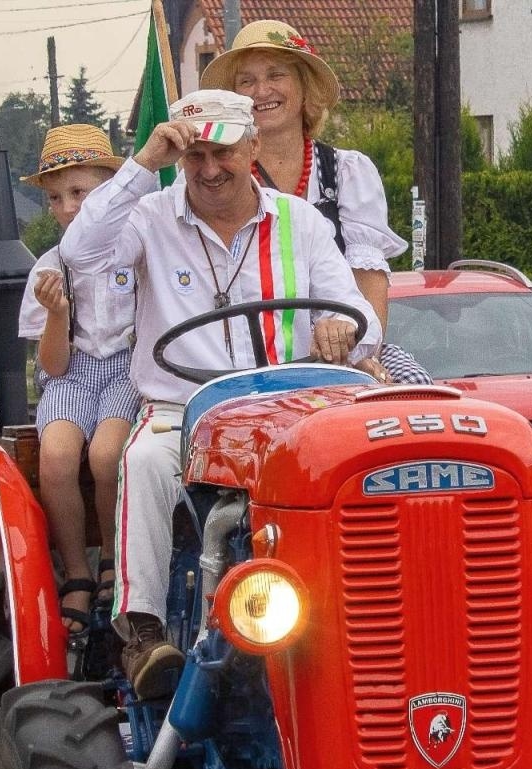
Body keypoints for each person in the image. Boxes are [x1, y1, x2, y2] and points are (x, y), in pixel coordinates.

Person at [59, 90, 379, 698]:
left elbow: (361, 315)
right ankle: (142, 634)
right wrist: (142, 163)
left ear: (253, 147)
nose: (209, 169)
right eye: (194, 155)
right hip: (184, 408)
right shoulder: (149, 217)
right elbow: (80, 253)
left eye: (223, 152)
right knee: (145, 458)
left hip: (289, 405)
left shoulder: (300, 222)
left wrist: (345, 326)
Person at [201, 20, 431, 385]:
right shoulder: (216, 176)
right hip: (248, 354)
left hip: (346, 346)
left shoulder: (347, 172)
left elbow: (370, 284)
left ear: (304, 88)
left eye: (276, 75)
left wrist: (361, 353)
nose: (262, 91)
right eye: (246, 81)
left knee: (415, 393)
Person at [15, 125, 136, 635]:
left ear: (108, 190)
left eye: (80, 193)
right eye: (57, 198)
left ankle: (113, 558)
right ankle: (77, 570)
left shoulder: (134, 252)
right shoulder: (48, 267)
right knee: (57, 456)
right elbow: (54, 367)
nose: (68, 207)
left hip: (128, 365)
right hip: (75, 371)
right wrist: (58, 314)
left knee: (108, 453)